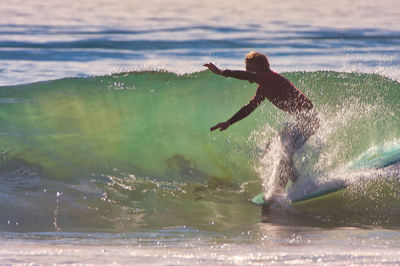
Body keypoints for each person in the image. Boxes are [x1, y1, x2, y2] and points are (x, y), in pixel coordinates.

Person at [204, 51, 319, 195]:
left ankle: (281, 191)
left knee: (283, 152)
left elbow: (248, 76)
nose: (247, 71)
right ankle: (298, 183)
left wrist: (222, 72)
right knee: (272, 148)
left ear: (258, 66)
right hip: (302, 120)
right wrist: (229, 122)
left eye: (249, 67)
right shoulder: (263, 87)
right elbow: (250, 107)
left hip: (309, 119)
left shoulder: (269, 78)